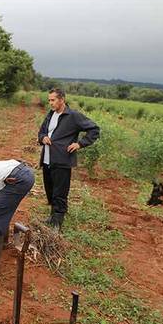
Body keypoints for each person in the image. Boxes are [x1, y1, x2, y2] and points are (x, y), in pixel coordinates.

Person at [38, 88, 100, 230]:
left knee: (60, 193)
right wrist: (43, 137)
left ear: (62, 100)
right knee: (50, 190)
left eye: (53, 100)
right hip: (47, 159)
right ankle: (52, 218)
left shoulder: (73, 116)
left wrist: (80, 143)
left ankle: (57, 224)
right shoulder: (50, 114)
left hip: (62, 160)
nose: (50, 103)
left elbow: (94, 129)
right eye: (49, 100)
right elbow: (41, 132)